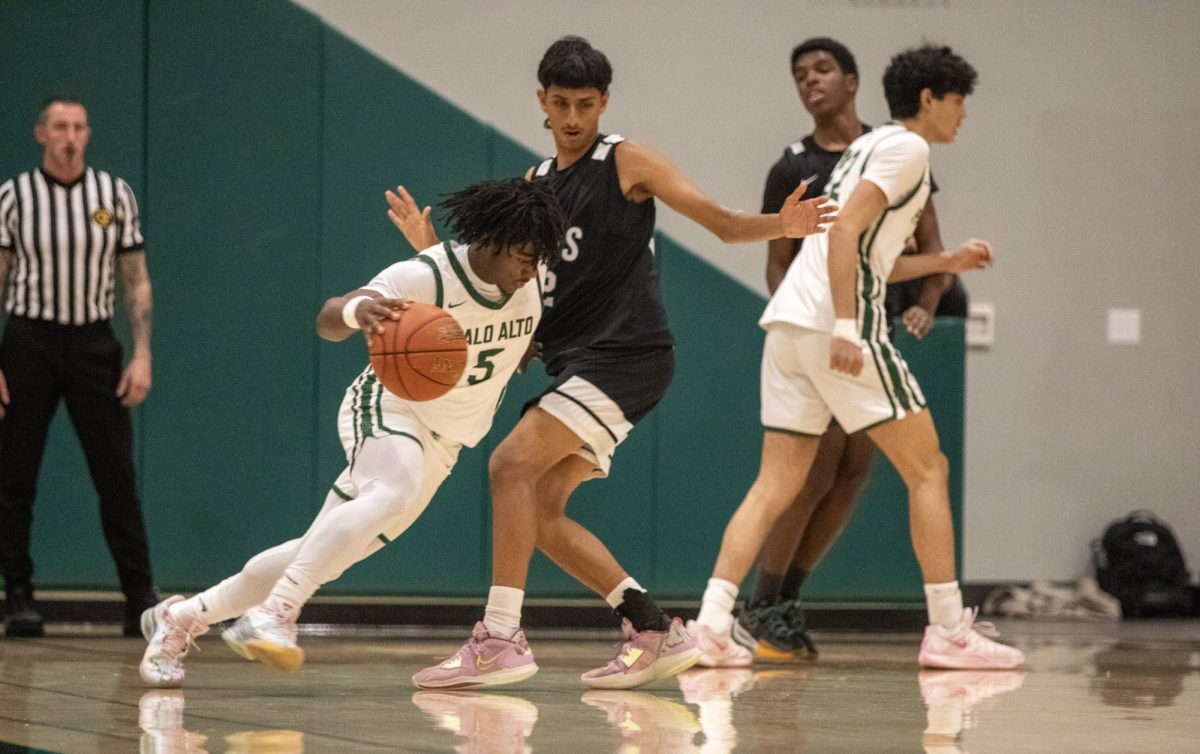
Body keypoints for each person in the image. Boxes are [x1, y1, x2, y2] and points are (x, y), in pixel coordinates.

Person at [388, 35, 835, 690]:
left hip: (626, 352)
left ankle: (501, 638)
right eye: (562, 103)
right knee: (539, 513)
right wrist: (432, 253)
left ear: (605, 102)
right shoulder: (533, 187)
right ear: (541, 99)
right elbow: (500, 289)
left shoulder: (624, 161)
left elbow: (720, 222)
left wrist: (781, 226)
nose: (573, 117)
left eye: (587, 103)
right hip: (575, 361)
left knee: (508, 464)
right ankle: (652, 628)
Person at [138, 178, 564, 687]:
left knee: (321, 553)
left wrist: (522, 352)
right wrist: (356, 311)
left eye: (537, 257)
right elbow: (326, 318)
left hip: (447, 442)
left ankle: (183, 616)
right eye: (521, 254)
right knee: (392, 490)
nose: (529, 267)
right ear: (491, 240)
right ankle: (274, 614)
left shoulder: (528, 283)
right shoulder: (423, 274)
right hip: (389, 407)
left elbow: (493, 327)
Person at [689, 44, 1025, 671]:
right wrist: (847, 325)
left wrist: (947, 264)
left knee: (774, 484)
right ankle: (950, 630)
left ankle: (711, 624)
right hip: (836, 324)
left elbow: (874, 251)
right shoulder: (907, 148)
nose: (962, 116)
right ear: (929, 99)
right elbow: (844, 234)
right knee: (928, 469)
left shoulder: (866, 150)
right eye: (958, 103)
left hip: (788, 324)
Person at [742, 38, 961, 661]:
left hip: (867, 326)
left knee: (851, 474)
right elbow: (778, 263)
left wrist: (927, 298)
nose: (811, 81)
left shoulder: (889, 146)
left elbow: (928, 245)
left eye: (822, 69)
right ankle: (764, 603)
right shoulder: (795, 166)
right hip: (828, 329)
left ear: (852, 79)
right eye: (800, 75)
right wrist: (816, 321)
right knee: (809, 475)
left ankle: (782, 602)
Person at [0, 96, 157, 638]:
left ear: (88, 134)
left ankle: (140, 599)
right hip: (28, 341)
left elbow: (135, 280)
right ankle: (19, 596)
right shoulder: (14, 197)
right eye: (60, 126)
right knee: (15, 476)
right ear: (41, 133)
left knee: (117, 476)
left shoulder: (113, 195)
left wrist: (141, 353)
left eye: (79, 127)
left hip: (93, 343)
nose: (70, 136)